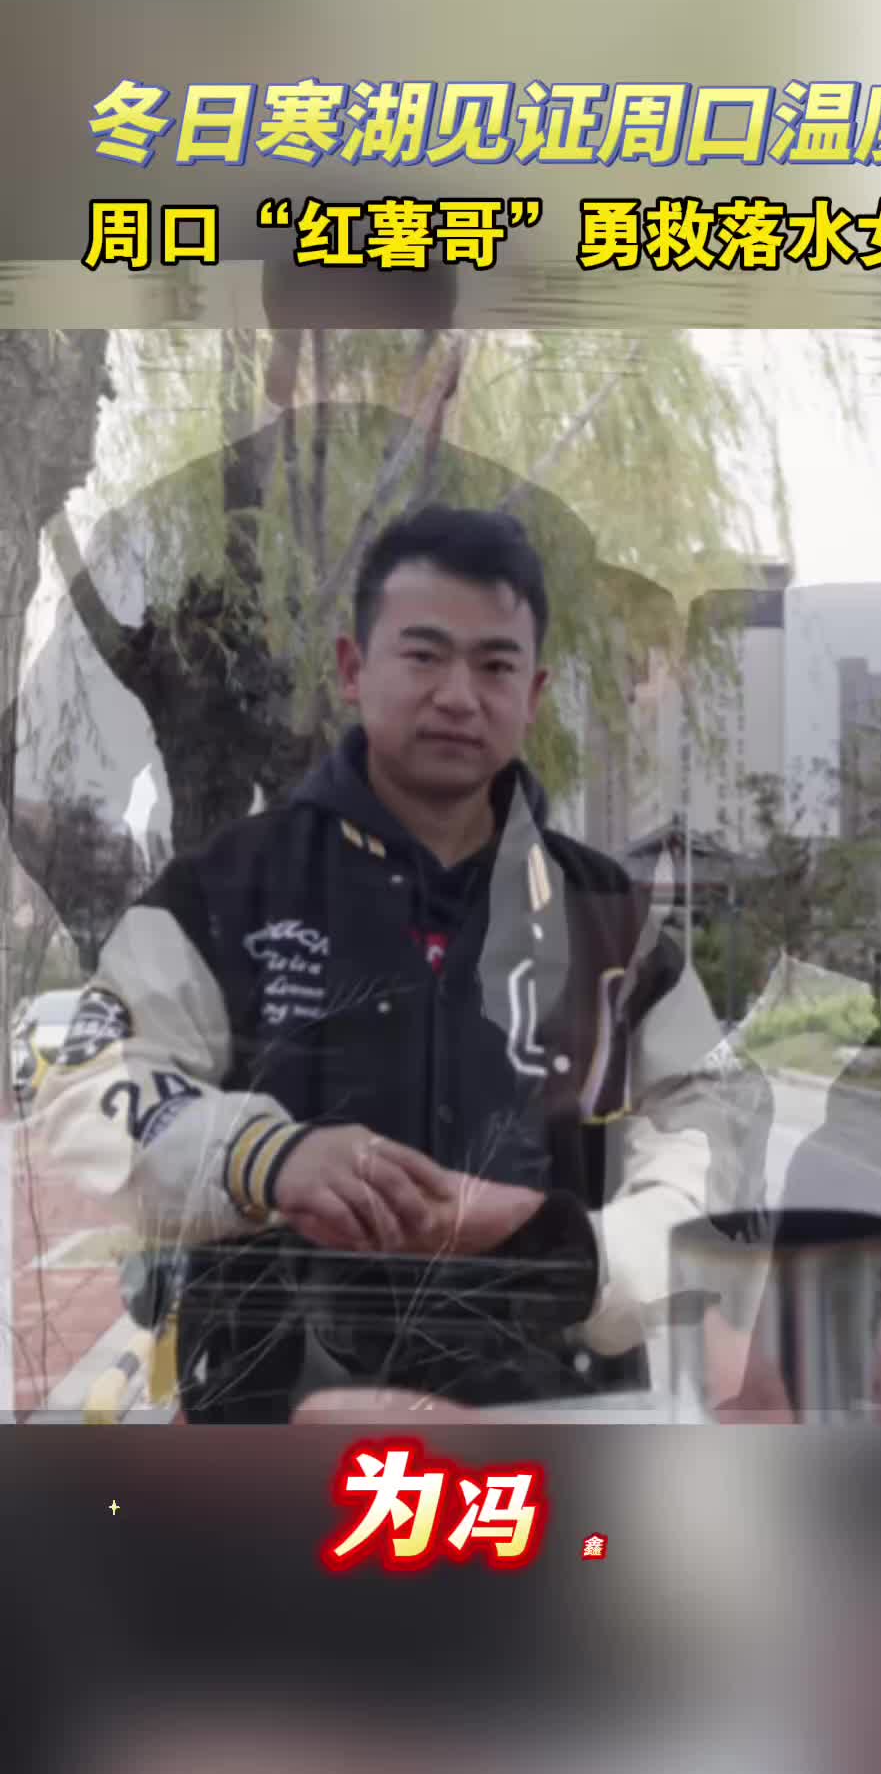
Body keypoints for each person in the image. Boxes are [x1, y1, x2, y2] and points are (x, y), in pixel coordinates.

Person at [30, 504, 771, 1420]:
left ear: (534, 694)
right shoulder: (221, 896)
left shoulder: (617, 924)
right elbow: (89, 1094)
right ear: (353, 668)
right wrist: (266, 1159)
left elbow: (717, 1133)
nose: (459, 695)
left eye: (494, 665)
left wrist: (574, 1251)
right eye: (424, 655)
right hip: (279, 1432)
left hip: (551, 1428)